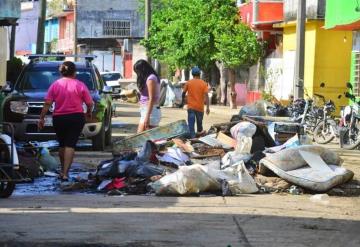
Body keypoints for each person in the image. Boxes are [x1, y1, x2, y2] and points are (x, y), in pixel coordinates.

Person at [38, 61, 93, 181]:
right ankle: (65, 173)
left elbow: (47, 103)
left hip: (59, 118)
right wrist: (89, 112)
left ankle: (62, 170)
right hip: (76, 118)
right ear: (74, 72)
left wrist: (41, 118)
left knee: (62, 144)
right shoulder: (80, 85)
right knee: (70, 144)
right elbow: (89, 103)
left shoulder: (55, 85)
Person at [133, 59, 161, 133]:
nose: (138, 74)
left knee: (142, 137)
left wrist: (147, 116)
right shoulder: (151, 77)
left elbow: (151, 98)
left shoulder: (151, 78)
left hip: (150, 111)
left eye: (138, 72)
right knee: (145, 138)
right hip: (147, 110)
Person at [181, 66, 210, 138]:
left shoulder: (188, 83)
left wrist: (183, 102)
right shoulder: (203, 83)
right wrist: (208, 108)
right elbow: (207, 96)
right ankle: (200, 138)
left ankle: (192, 138)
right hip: (200, 108)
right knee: (199, 124)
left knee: (191, 124)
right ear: (199, 74)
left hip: (191, 107)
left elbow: (183, 93)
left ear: (192, 74)